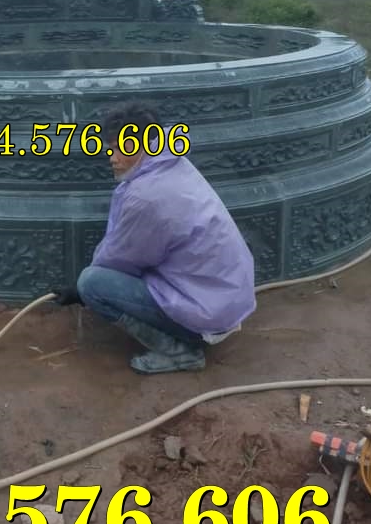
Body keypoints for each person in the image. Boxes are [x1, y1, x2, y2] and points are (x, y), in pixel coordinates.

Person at [53, 101, 256, 374]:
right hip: (223, 300)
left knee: (92, 283)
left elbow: (120, 259)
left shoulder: (146, 196)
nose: (112, 157)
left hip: (206, 315)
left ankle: (180, 353)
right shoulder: (171, 161)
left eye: (120, 148)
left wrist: (80, 292)